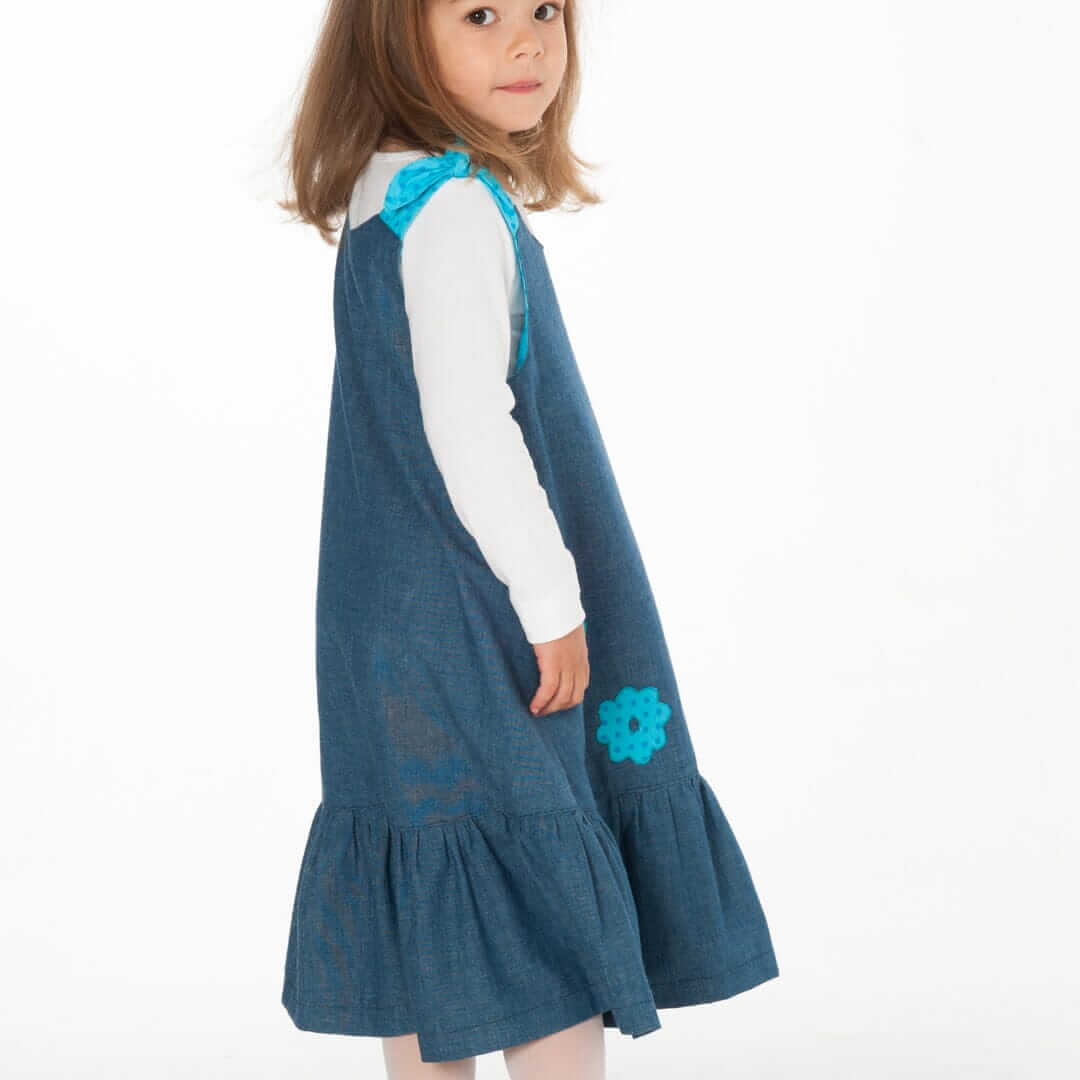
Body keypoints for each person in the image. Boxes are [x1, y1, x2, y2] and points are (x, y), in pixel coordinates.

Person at [276, 1, 780, 1077]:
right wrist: (552, 602)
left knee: (432, 869)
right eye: (481, 13)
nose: (528, 42)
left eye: (545, 8)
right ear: (392, 34)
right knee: (546, 903)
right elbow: (471, 426)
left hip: (383, 617)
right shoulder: (454, 208)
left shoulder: (382, 193)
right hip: (479, 613)